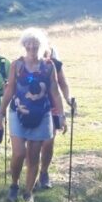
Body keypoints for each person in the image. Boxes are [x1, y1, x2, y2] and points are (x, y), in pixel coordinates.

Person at [0, 28, 65, 202]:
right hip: (18, 112)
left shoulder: (49, 66)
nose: (32, 47)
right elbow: (10, 89)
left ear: (41, 46)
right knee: (19, 153)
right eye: (28, 44)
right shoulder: (17, 65)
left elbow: (55, 92)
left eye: (35, 44)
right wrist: (1, 112)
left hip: (41, 113)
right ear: (24, 45)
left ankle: (28, 192)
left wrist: (62, 115)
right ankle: (14, 184)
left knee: (34, 156)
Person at [39, 46, 72, 190]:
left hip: (51, 106)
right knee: (32, 144)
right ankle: (31, 174)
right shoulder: (24, 63)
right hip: (29, 106)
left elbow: (63, 84)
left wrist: (68, 99)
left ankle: (44, 172)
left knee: (48, 141)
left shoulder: (54, 64)